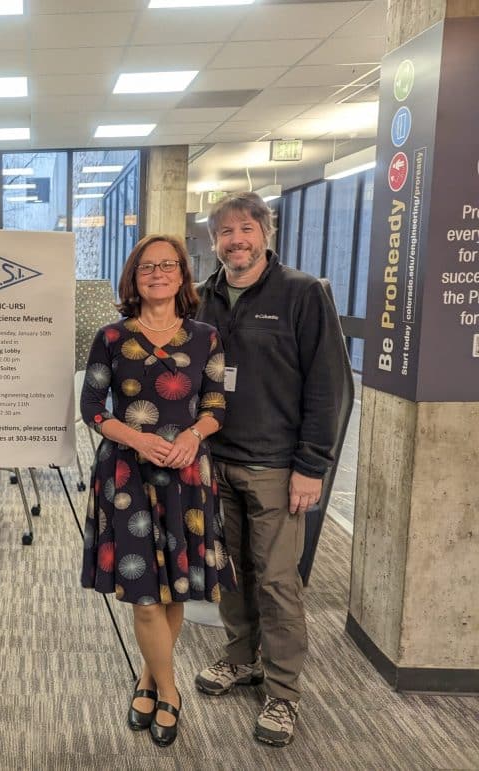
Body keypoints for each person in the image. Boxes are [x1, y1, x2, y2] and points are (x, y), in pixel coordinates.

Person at [193, 192, 345, 747]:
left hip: (278, 467)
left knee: (279, 582)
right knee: (229, 572)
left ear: (266, 232)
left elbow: (327, 386)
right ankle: (240, 656)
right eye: (226, 232)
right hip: (215, 461)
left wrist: (312, 465)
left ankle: (283, 692)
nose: (236, 240)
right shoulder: (204, 297)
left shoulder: (301, 294)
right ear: (215, 242)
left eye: (246, 229)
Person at [80, 234, 233, 748]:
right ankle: (171, 691)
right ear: (133, 277)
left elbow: (215, 405)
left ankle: (147, 678)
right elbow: (94, 409)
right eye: (147, 267)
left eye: (168, 265)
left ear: (182, 276)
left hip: (187, 476)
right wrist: (140, 439)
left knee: (174, 588)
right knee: (144, 597)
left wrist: (192, 436)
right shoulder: (111, 336)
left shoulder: (205, 337)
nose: (158, 273)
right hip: (127, 476)